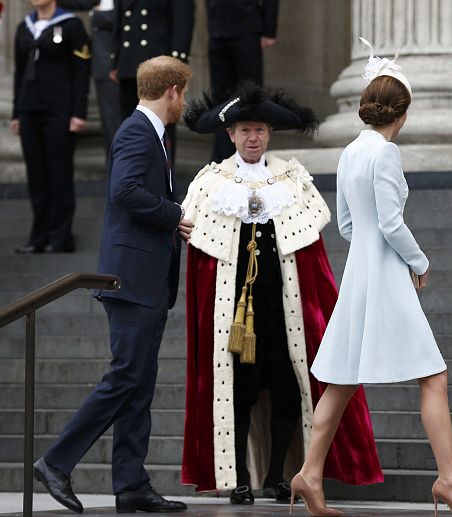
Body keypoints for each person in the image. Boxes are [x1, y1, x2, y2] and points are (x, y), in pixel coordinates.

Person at [291, 40, 452, 517]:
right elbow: (391, 223)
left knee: (341, 379)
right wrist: (418, 262)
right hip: (384, 275)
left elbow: (347, 225)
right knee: (434, 376)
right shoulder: (385, 154)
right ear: (402, 114)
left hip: (360, 271)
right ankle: (449, 482)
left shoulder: (349, 153)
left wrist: (370, 254)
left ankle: (310, 474)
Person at [180, 82, 383, 505]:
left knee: (288, 388)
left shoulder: (291, 180)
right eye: (244, 131)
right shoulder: (212, 183)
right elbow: (202, 259)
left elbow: (312, 259)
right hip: (235, 315)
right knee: (239, 389)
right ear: (231, 135)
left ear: (268, 134)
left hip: (282, 308)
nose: (253, 138)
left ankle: (277, 476)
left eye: (260, 130)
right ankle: (237, 478)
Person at [32, 55, 193, 514]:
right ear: (173, 92)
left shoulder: (152, 134)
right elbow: (122, 191)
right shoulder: (137, 132)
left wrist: (167, 218)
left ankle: (131, 483)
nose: (183, 102)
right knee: (125, 376)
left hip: (146, 278)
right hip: (131, 277)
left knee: (139, 382)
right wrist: (174, 213)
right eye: (183, 94)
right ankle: (56, 462)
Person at [11, 0, 90, 253]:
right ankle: (39, 237)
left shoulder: (71, 24)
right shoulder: (24, 26)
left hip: (59, 110)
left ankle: (60, 237)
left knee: (59, 174)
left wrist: (78, 112)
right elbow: (19, 72)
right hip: (29, 109)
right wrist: (16, 112)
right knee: (37, 176)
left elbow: (81, 71)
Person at [110, 0, 194, 164]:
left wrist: (176, 64)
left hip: (159, 69)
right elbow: (119, 19)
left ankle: (162, 180)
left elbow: (183, 21)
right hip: (128, 66)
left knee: (161, 129)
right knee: (130, 127)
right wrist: (116, 59)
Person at [206, 0, 279, 163]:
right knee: (219, 98)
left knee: (249, 96)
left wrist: (269, 29)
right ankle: (222, 159)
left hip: (247, 26)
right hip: (217, 28)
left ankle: (249, 157)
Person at [58, 0, 123, 164]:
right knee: (111, 129)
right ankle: (116, 181)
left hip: (120, 67)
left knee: (121, 128)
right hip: (104, 68)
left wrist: (101, 13)